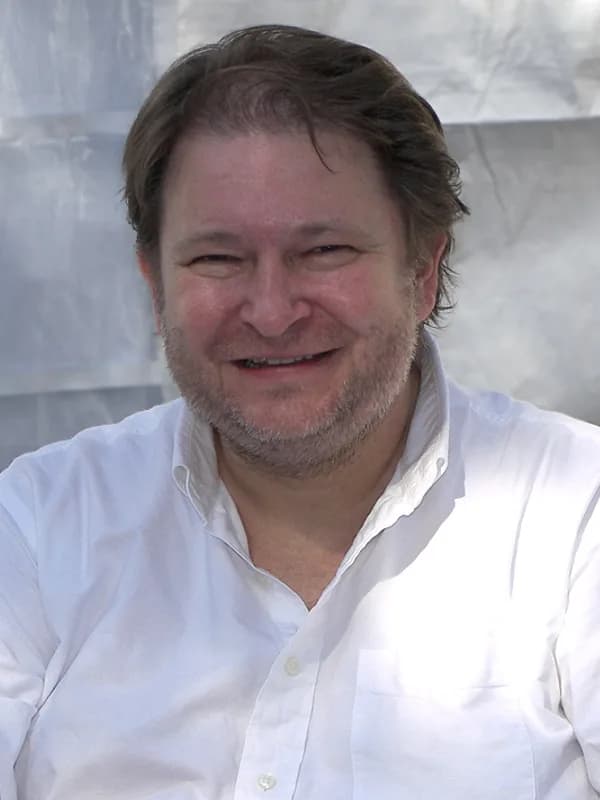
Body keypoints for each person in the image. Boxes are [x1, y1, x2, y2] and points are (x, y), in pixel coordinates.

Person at [1, 23, 599, 800]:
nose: (273, 312)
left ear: (423, 271)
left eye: (324, 251)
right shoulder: (39, 526)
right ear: (155, 286)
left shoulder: (575, 515)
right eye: (218, 258)